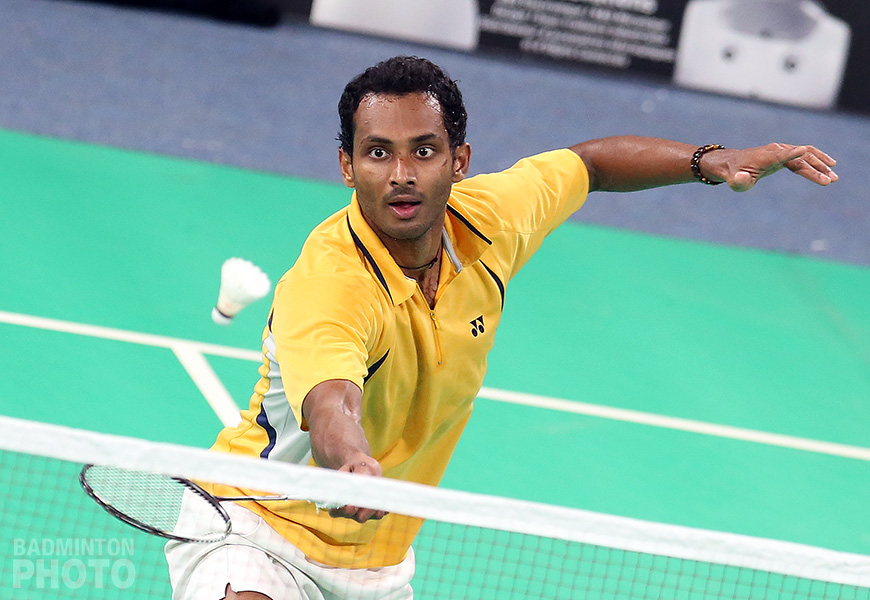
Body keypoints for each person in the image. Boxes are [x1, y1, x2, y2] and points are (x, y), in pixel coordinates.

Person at [165, 55, 837, 600]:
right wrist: (351, 461)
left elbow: (589, 165)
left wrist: (709, 161)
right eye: (377, 153)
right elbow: (330, 402)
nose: (401, 175)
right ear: (347, 166)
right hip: (255, 525)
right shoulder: (330, 283)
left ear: (459, 161)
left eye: (424, 151)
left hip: (375, 566)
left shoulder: (491, 218)